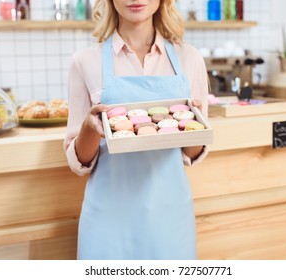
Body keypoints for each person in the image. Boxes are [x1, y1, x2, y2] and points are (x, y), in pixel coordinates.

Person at [64, 0, 209, 260]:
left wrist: (191, 123)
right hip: (108, 217)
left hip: (170, 216)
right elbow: (80, 163)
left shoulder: (189, 58)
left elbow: (193, 153)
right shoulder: (85, 61)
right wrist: (90, 126)